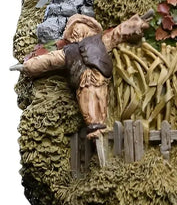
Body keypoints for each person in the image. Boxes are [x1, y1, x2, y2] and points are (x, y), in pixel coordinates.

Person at [12, 12, 152, 141]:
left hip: (100, 77)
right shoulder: (67, 51)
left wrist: (136, 24)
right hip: (82, 81)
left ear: (89, 29)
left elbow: (118, 33)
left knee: (100, 100)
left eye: (80, 28)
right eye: (74, 30)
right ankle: (94, 127)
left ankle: (101, 124)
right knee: (88, 104)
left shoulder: (101, 41)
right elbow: (49, 60)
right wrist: (28, 66)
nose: (77, 31)